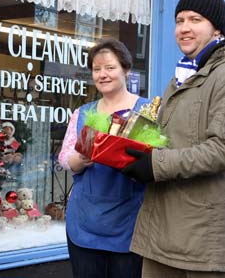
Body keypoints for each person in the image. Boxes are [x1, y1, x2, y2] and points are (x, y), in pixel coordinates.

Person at [122, 0, 225, 277]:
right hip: (160, 229)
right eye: (179, 20)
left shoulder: (221, 74)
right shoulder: (180, 76)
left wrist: (154, 165)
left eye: (195, 19)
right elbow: (168, 137)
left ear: (216, 28)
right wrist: (125, 149)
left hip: (199, 239)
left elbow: (220, 149)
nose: (184, 28)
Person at [58, 38, 149, 278]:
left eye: (110, 67)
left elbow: (158, 162)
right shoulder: (83, 113)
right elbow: (65, 157)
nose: (102, 75)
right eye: (96, 69)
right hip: (84, 224)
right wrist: (79, 160)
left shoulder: (145, 113)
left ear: (126, 70)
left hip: (130, 224)